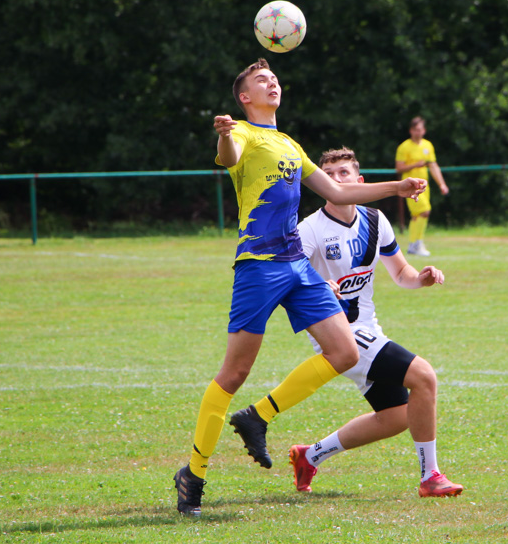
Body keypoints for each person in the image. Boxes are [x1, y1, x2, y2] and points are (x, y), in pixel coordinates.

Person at [173, 58, 427, 517]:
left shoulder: (290, 143)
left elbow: (340, 192)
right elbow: (229, 157)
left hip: (296, 265)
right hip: (259, 266)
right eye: (260, 81)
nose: (271, 83)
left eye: (274, 78)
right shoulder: (245, 134)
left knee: (345, 352)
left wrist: (398, 186)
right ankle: (193, 473)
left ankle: (258, 416)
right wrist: (225, 134)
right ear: (244, 97)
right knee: (233, 375)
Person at [288, 147, 463, 498]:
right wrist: (322, 289)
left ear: (360, 181)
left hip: (368, 330)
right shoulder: (309, 229)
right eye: (330, 174)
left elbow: (401, 272)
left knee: (399, 415)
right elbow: (292, 280)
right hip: (338, 335)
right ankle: (430, 477)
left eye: (344, 173)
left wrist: (422, 277)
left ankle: (310, 455)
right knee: (425, 376)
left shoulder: (375, 220)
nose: (337, 179)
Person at [395, 116, 448, 257]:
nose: (418, 132)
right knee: (425, 211)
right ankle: (415, 243)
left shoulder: (428, 145)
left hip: (425, 186)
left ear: (424, 131)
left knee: (417, 215)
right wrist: (415, 164)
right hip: (411, 186)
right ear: (411, 131)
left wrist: (441, 184)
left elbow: (434, 166)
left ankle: (415, 243)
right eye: (415, 129)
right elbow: (399, 168)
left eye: (420, 129)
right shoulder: (404, 147)